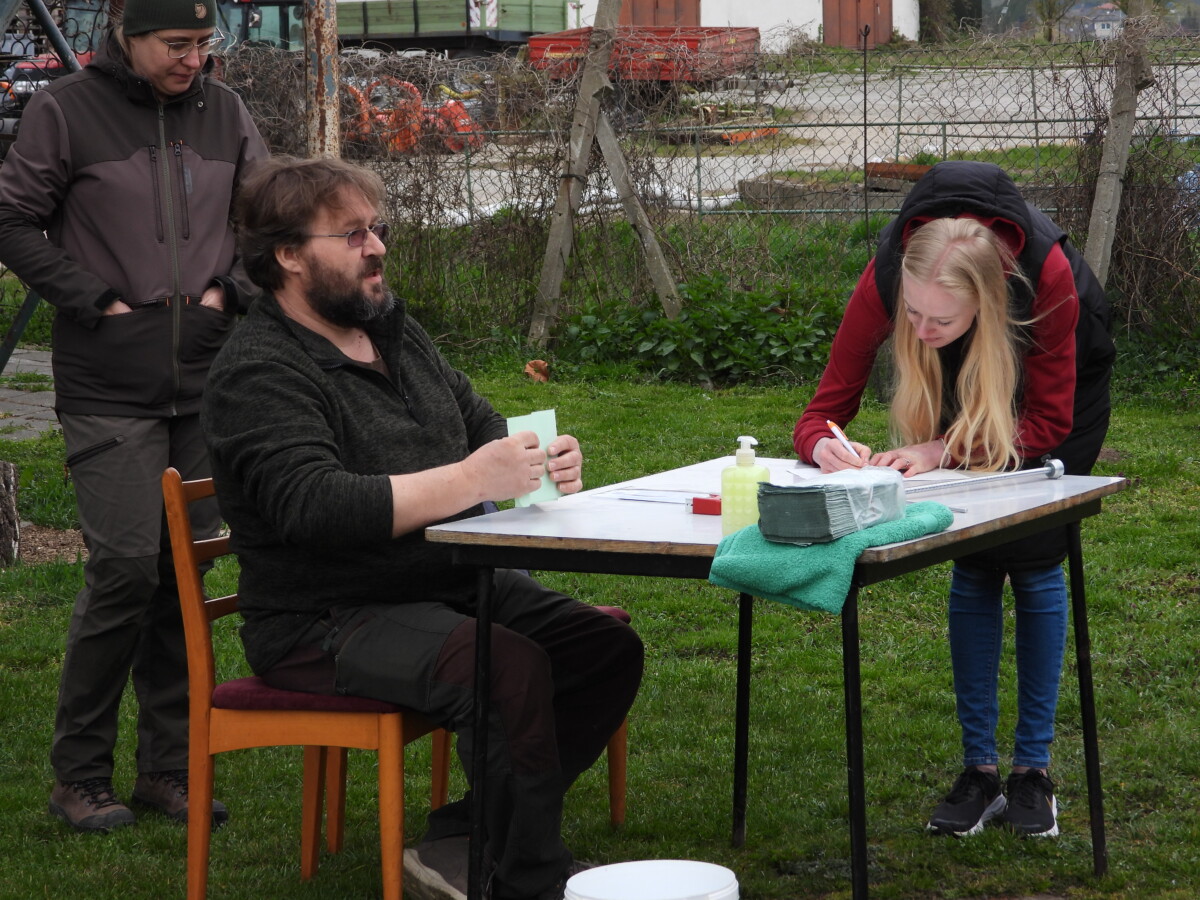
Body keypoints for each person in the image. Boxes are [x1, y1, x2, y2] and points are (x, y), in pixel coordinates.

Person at [201, 156, 644, 900]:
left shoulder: (392, 332)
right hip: (325, 617)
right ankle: (526, 880)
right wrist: (473, 480)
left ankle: (467, 837)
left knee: (601, 648)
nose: (376, 247)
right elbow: (314, 506)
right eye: (351, 234)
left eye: (376, 228)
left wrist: (534, 458)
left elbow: (480, 425)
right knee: (504, 667)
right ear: (288, 256)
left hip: (445, 583)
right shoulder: (260, 371)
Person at [0, 0, 268, 832]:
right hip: (108, 382)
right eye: (176, 44)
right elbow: (11, 218)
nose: (194, 59)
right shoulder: (65, 111)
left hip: (207, 380)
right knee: (123, 569)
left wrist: (232, 294)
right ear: (128, 35)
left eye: (204, 43)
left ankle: (167, 769)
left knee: (181, 572)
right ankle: (79, 774)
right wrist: (95, 301)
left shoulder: (226, 113)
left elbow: (268, 217)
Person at [794, 161, 1114, 839]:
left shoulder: (1048, 277)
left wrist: (943, 449)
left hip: (1060, 393)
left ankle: (1032, 773)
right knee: (973, 558)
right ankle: (980, 771)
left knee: (1031, 554)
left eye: (939, 317)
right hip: (965, 388)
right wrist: (822, 445)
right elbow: (820, 412)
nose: (920, 328)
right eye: (911, 314)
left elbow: (1047, 423)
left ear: (984, 301)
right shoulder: (891, 274)